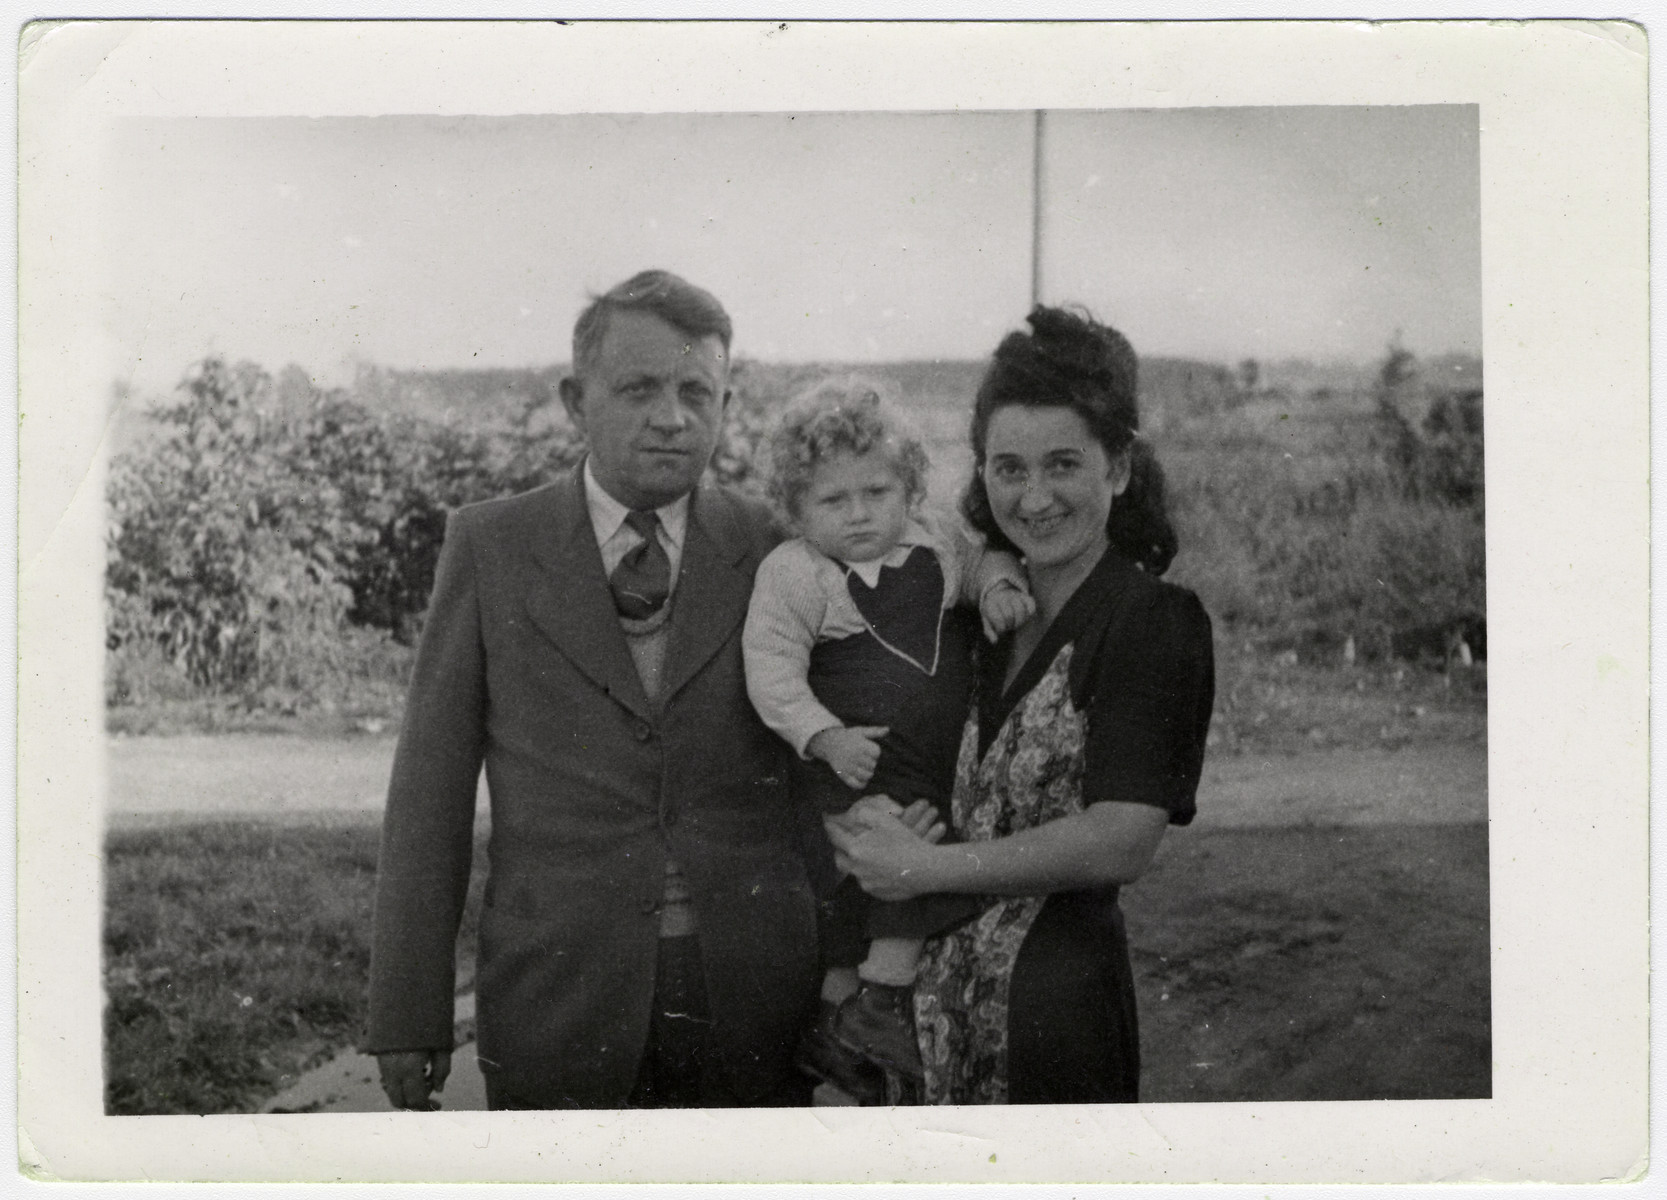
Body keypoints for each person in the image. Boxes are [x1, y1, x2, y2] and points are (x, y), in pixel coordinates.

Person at [365, 269, 825, 1110]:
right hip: (558, 997)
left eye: (698, 390)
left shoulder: (773, 544)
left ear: (727, 399)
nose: (671, 417)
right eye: (639, 388)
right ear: (576, 400)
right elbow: (428, 793)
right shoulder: (491, 546)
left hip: (753, 995)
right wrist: (406, 1009)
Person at [826, 306, 1215, 1105]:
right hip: (921, 1024)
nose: (1034, 498)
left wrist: (926, 868)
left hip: (1052, 1019)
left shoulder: (1152, 622)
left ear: (1118, 467)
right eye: (1008, 469)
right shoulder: (967, 613)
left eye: (1063, 464)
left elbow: (1122, 839)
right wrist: (868, 832)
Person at [741, 378, 1033, 1089]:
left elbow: (983, 556)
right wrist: (824, 738)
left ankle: (844, 1025)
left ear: (908, 488)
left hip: (930, 756)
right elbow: (771, 671)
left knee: (918, 844)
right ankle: (879, 1004)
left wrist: (996, 586)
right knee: (883, 851)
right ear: (794, 508)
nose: (859, 515)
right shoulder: (795, 573)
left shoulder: (931, 545)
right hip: (852, 758)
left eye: (876, 493)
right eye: (831, 501)